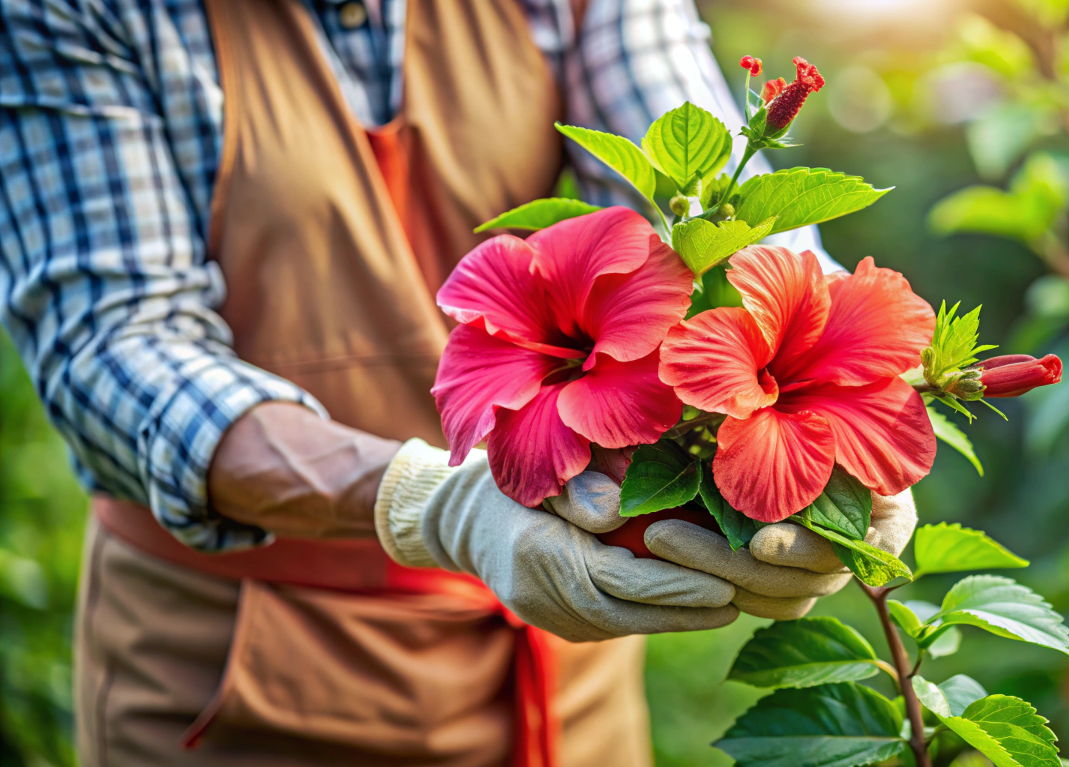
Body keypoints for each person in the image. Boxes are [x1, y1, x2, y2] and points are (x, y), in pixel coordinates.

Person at [0, 0, 917, 764]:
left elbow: (711, 191)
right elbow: (116, 344)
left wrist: (850, 415)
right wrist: (431, 503)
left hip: (562, 673)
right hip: (235, 682)